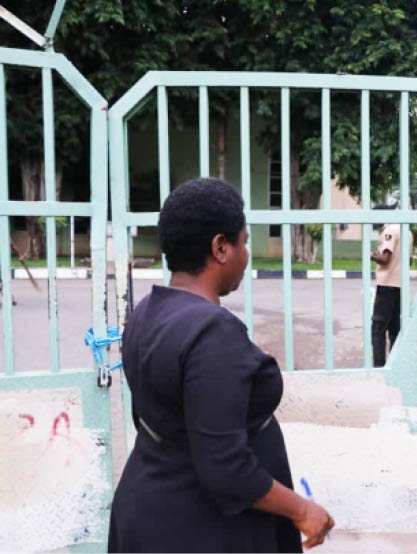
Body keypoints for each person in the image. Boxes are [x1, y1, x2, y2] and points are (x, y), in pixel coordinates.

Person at [108, 178, 334, 553]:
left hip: (148, 509)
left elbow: (155, 418)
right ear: (220, 247)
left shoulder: (147, 314)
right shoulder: (212, 332)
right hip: (196, 529)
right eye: (244, 242)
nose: (247, 254)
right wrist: (302, 509)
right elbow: (225, 467)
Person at [370, 223, 412, 367]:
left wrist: (372, 256)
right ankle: (395, 366)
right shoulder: (407, 231)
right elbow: (409, 261)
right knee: (394, 329)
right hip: (400, 285)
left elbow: (385, 259)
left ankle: (379, 367)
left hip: (387, 284)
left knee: (378, 329)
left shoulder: (390, 231)